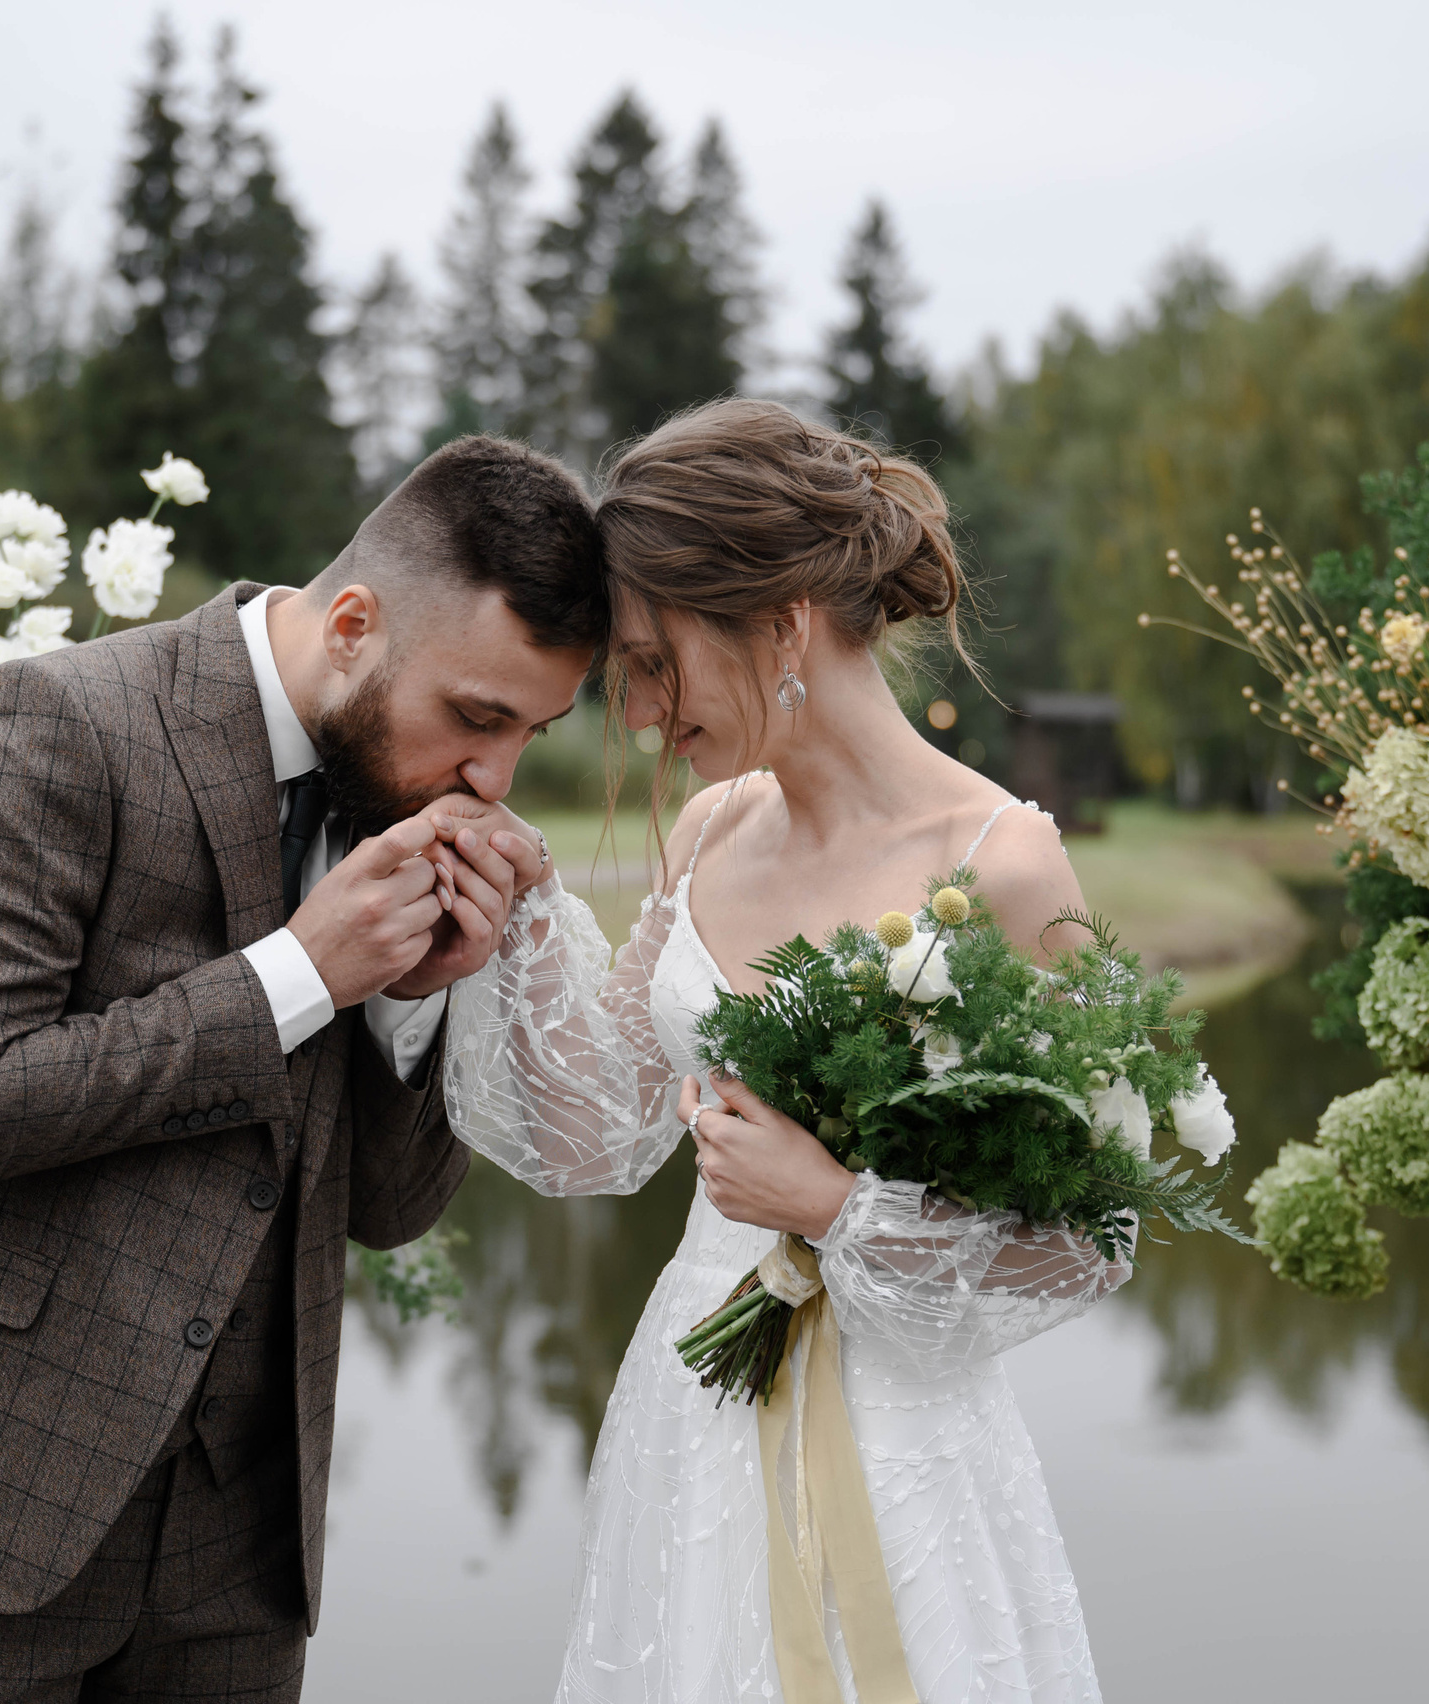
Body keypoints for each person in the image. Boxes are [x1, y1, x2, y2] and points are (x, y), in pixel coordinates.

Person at [0, 435, 605, 1702]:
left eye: (530, 733)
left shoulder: (396, 823)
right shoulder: (57, 720)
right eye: (476, 717)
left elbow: (386, 1211)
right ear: (355, 624)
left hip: (240, 1553)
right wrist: (302, 975)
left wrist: (417, 1010)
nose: (495, 777)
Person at [436, 399, 1133, 1704]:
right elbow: (598, 1138)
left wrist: (838, 1208)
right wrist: (524, 913)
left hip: (903, 1446)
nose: (642, 717)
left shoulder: (1004, 865)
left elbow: (1092, 1238)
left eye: (655, 663)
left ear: (780, 621)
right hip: (694, 1407)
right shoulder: (707, 835)